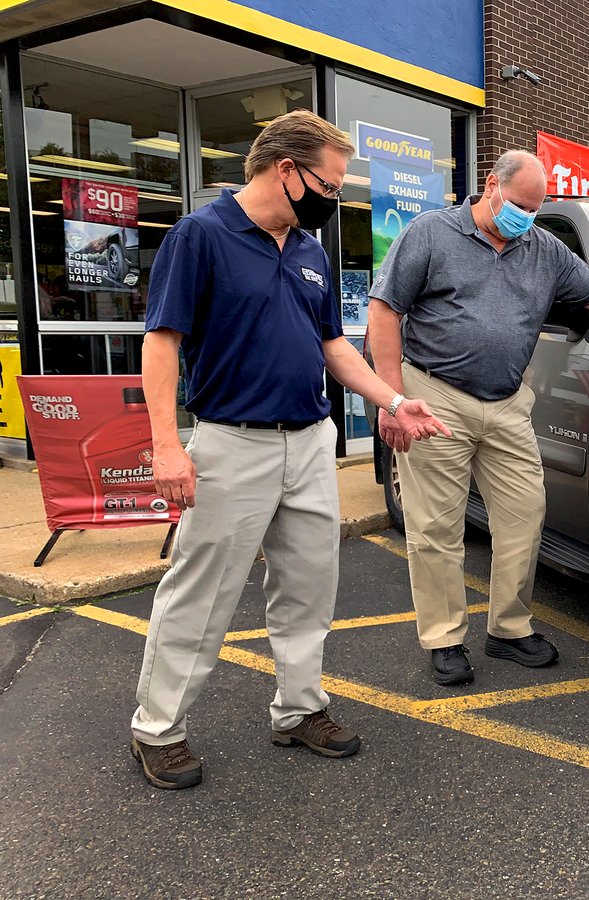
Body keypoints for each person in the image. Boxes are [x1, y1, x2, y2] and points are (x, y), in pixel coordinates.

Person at [130, 110, 450, 790]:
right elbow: (162, 344)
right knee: (201, 594)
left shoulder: (308, 250)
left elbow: (333, 345)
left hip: (309, 443)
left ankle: (299, 711)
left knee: (308, 590)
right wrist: (166, 446)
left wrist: (392, 401)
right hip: (229, 445)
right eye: (331, 185)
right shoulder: (201, 236)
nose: (334, 199)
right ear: (287, 171)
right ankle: (158, 730)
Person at [368, 149, 589, 686]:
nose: (525, 218)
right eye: (520, 205)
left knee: (525, 516)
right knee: (436, 527)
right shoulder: (431, 233)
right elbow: (385, 310)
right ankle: (445, 638)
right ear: (491, 186)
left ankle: (508, 629)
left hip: (506, 403)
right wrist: (392, 398)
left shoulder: (541, 248)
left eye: (535, 210)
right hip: (435, 394)